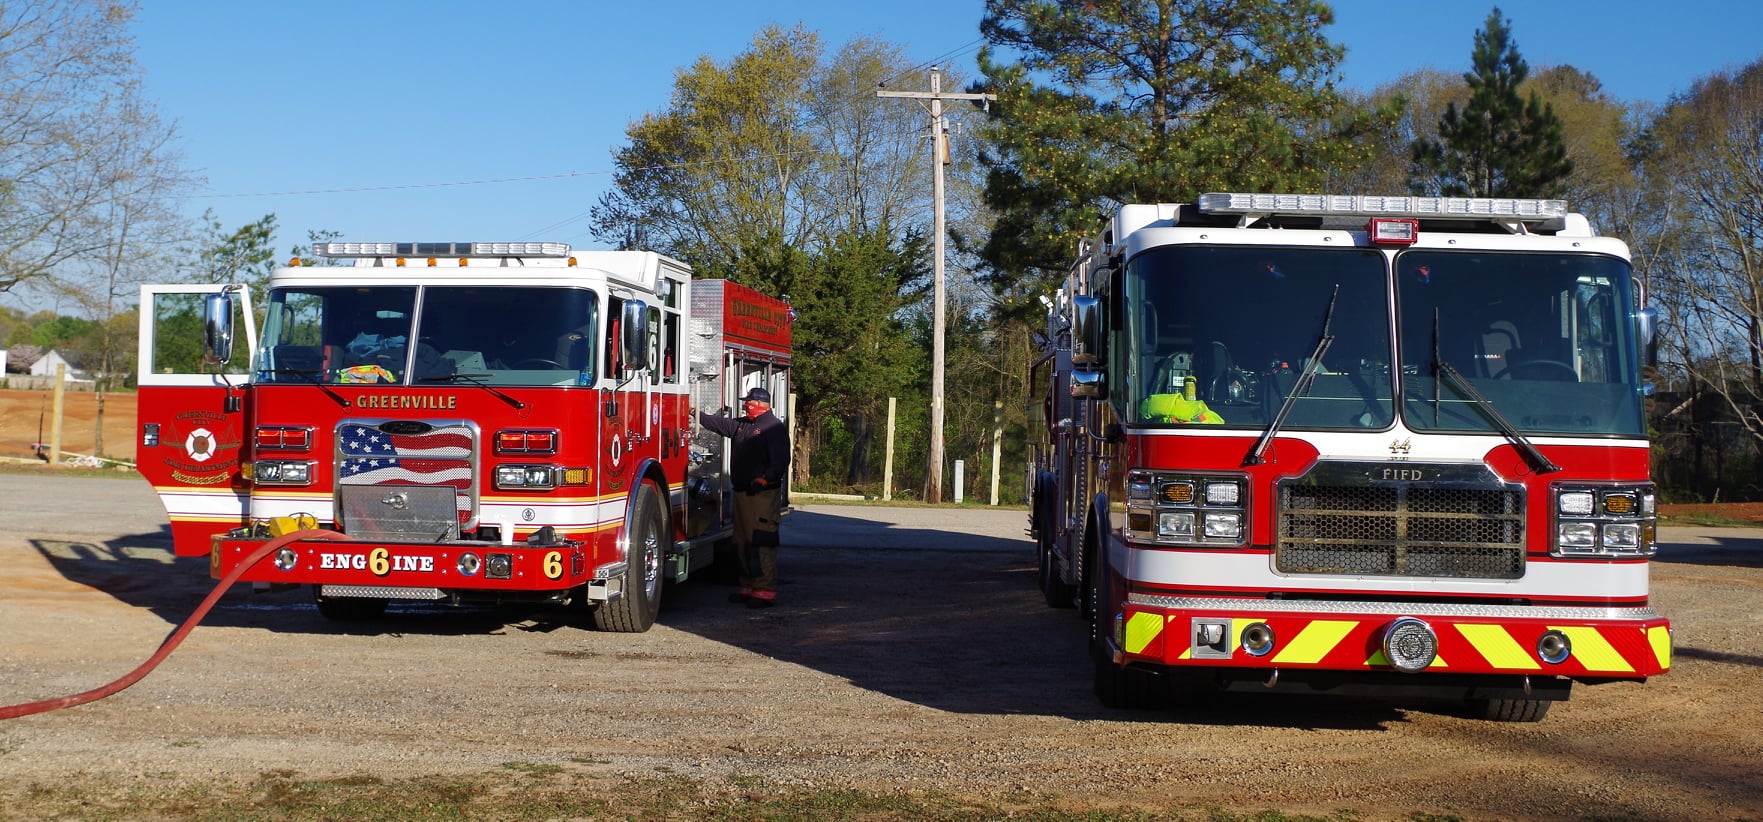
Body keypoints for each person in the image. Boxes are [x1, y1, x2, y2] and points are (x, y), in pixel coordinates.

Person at [698, 386, 791, 608]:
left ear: (759, 405)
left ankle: (765, 591)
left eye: (747, 403)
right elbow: (720, 425)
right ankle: (748, 586)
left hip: (762, 495)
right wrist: (695, 414)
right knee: (741, 542)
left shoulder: (773, 428)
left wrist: (764, 479)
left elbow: (780, 461)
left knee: (761, 542)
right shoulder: (744, 425)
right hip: (742, 493)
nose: (744, 405)